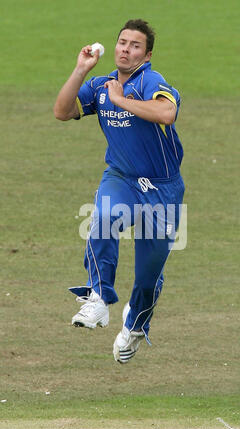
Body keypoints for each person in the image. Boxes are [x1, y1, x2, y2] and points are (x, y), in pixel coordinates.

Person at [54, 19, 185, 364]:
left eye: (135, 45)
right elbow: (62, 111)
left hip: (163, 189)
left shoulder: (150, 81)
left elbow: (168, 112)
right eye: (122, 42)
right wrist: (81, 70)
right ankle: (98, 297)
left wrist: (121, 100)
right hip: (122, 179)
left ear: (147, 54)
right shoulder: (101, 85)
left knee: (147, 278)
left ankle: (136, 327)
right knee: (105, 216)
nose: (126, 49)